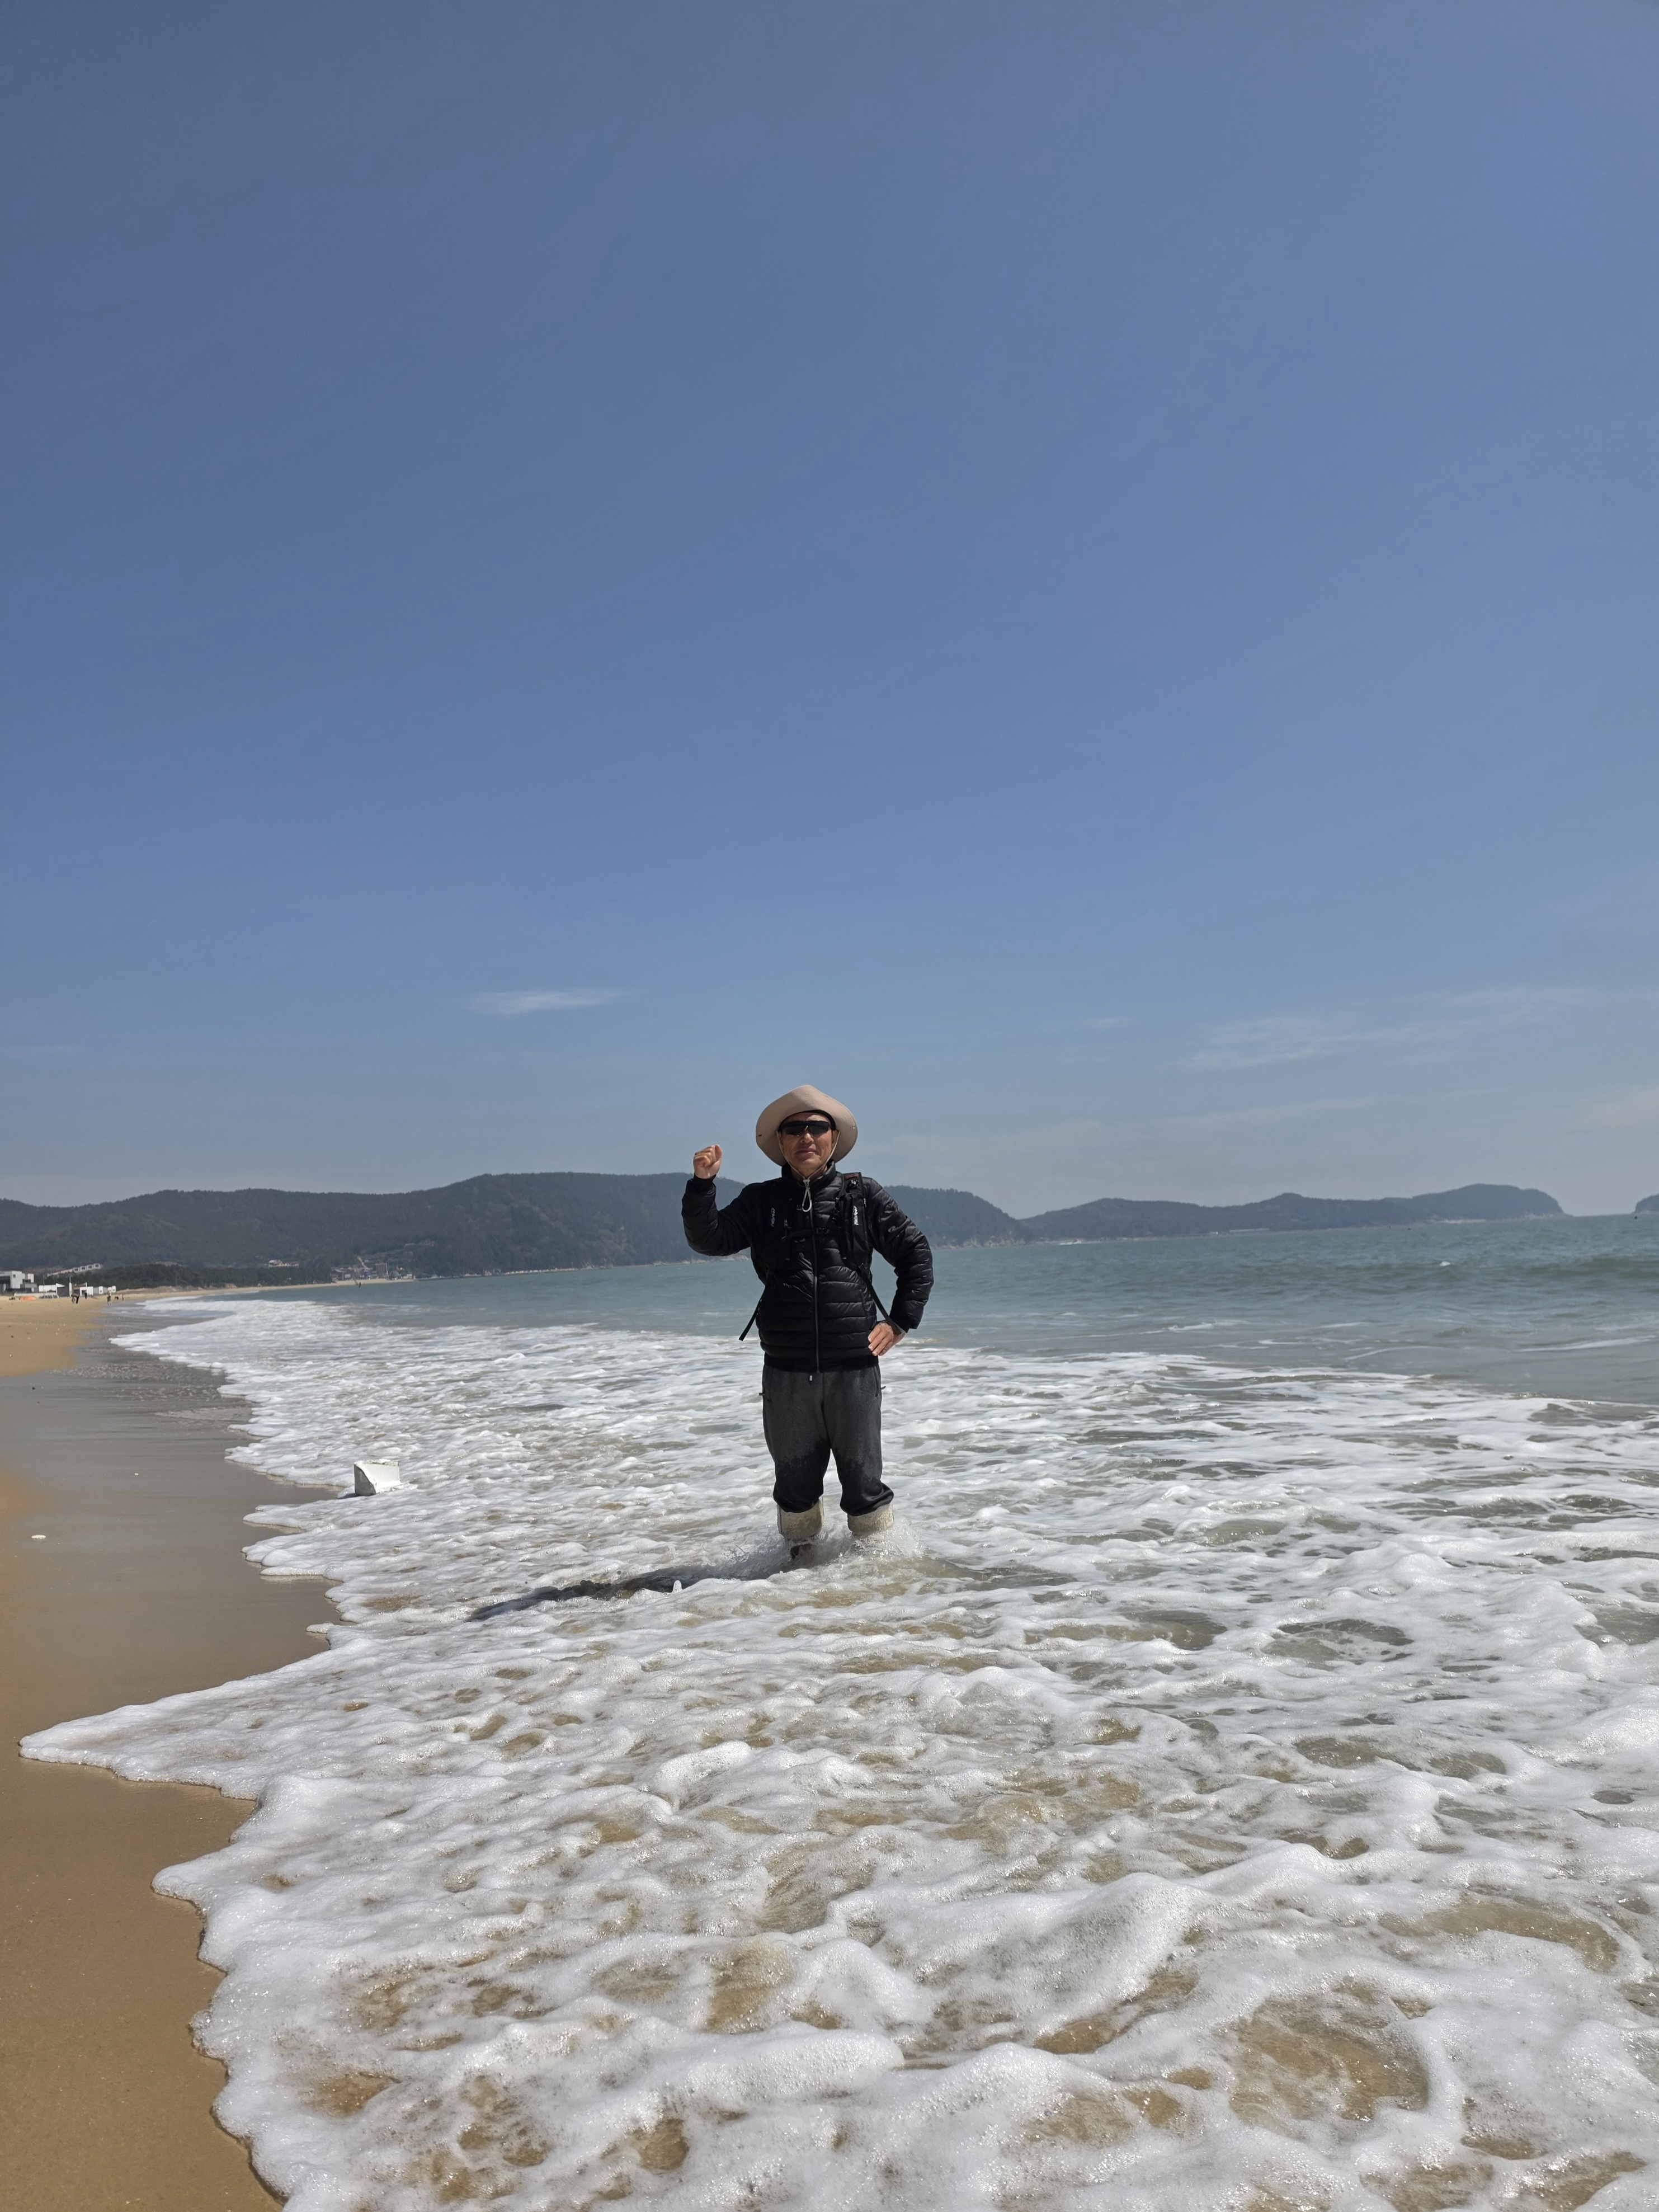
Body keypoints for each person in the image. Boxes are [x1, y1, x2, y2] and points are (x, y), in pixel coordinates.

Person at [682, 1085, 933, 1556]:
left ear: (834, 1138)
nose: (806, 1137)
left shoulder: (863, 1196)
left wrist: (900, 1322)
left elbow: (915, 1253)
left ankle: (882, 1581)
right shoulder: (761, 1201)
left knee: (864, 1486)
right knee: (795, 1488)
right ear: (780, 1142)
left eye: (817, 1127)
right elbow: (710, 1239)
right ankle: (798, 1582)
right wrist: (702, 1187)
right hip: (787, 1369)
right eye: (794, 1129)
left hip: (854, 1365)